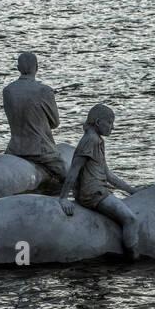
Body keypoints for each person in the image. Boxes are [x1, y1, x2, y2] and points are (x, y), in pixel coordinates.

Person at [59, 104, 140, 255]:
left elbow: (108, 175)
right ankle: (132, 260)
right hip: (93, 194)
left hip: (99, 190)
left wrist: (132, 190)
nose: (113, 127)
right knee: (131, 220)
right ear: (97, 122)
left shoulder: (97, 140)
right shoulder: (90, 140)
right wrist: (63, 198)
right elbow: (73, 171)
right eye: (110, 122)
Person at [3, 51, 66, 185]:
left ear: (18, 68)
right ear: (36, 67)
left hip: (14, 149)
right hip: (40, 151)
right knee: (69, 177)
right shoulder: (44, 91)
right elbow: (55, 123)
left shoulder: (8, 90)